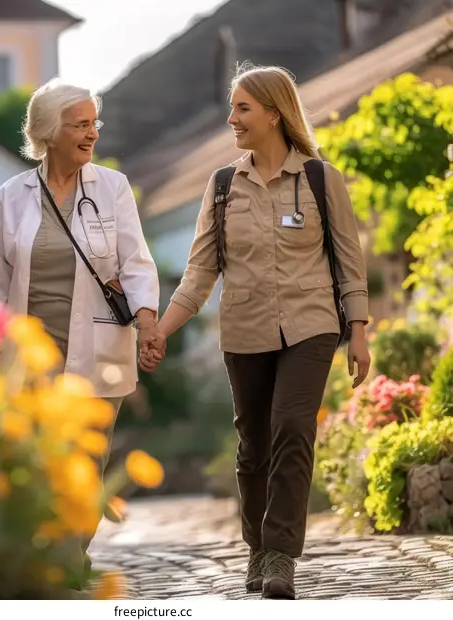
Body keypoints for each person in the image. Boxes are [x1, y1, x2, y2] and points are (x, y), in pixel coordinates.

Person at [140, 64, 371, 600]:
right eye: (233, 108)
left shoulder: (319, 178)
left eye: (242, 108)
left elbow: (349, 261)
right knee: (254, 445)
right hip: (244, 330)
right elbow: (199, 273)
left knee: (293, 426)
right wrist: (161, 331)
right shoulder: (222, 187)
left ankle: (281, 555)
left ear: (273, 112)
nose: (232, 119)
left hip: (311, 324)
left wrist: (357, 330)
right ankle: (257, 546)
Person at [0, 79, 164, 583]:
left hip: (99, 346)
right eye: (80, 125)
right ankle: (51, 558)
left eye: (94, 124)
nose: (92, 134)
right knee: (39, 459)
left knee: (87, 458)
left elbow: (136, 263)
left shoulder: (113, 188)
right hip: (32, 355)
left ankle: (69, 554)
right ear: (48, 132)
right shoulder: (12, 195)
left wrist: (148, 321)